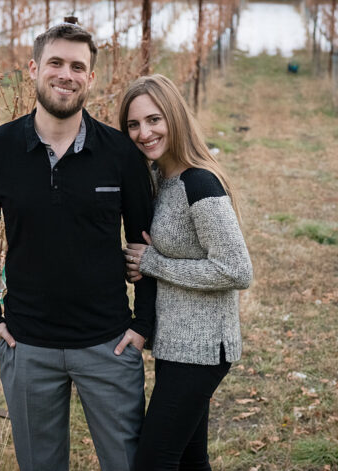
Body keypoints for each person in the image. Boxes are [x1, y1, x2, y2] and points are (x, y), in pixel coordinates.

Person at [0, 22, 156, 470]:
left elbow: (144, 244)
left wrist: (142, 324)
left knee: (127, 464)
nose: (65, 74)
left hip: (109, 344)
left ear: (90, 78)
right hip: (27, 347)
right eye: (55, 63)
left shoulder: (120, 154)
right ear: (34, 68)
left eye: (77, 66)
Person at [119, 74, 252, 471]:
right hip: (178, 343)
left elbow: (236, 270)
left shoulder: (199, 182)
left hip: (202, 348)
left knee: (154, 462)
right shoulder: (163, 179)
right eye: (134, 124)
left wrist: (153, 263)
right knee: (191, 460)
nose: (144, 133)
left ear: (174, 117)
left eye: (154, 120)